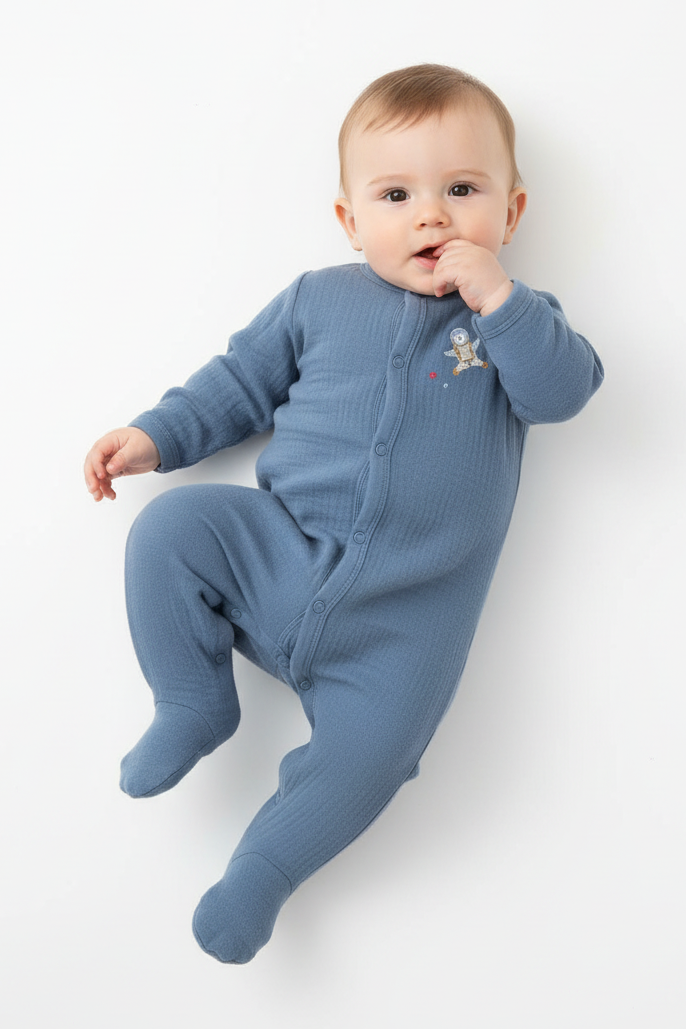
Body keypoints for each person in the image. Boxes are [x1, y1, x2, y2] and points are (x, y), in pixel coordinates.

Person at [84, 64, 604, 964]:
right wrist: (156, 436)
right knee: (172, 529)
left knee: (372, 759)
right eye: (397, 193)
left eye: (463, 190)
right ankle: (193, 699)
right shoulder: (318, 300)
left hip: (403, 632)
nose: (432, 215)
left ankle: (263, 873)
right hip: (282, 559)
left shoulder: (518, 324)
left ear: (512, 215)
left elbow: (564, 393)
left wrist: (502, 302)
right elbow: (239, 384)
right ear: (350, 219)